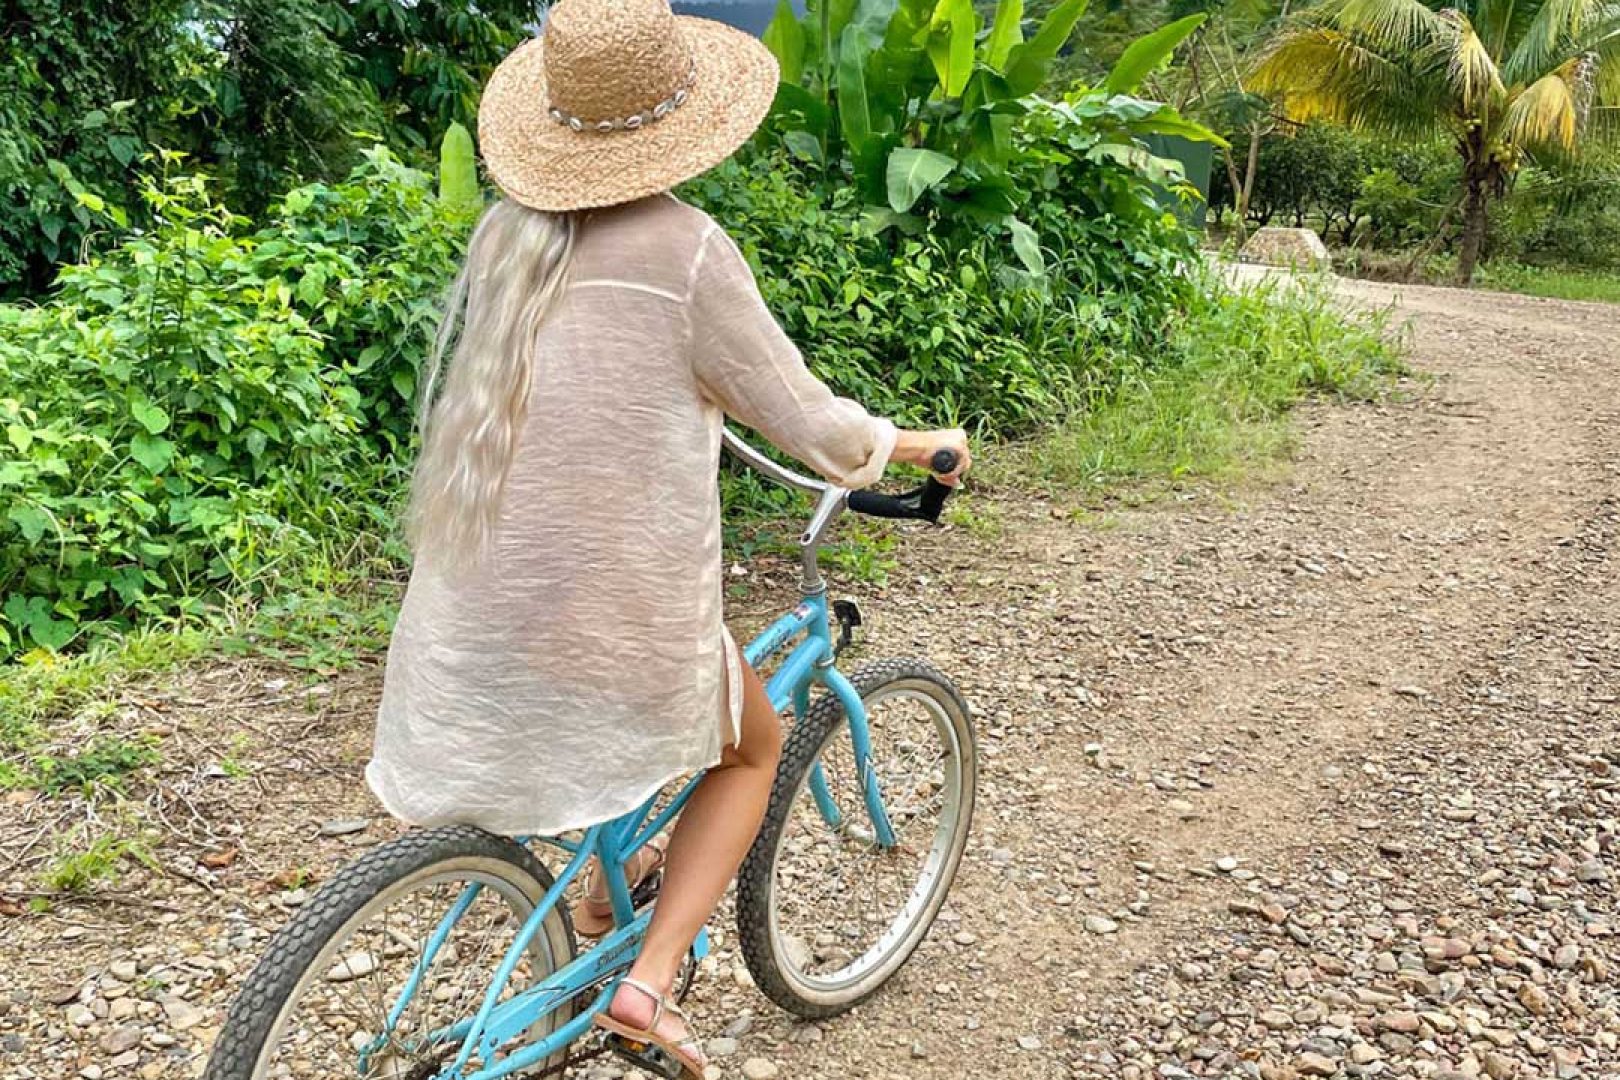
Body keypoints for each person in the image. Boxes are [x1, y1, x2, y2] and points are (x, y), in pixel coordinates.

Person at [364, 0, 970, 1074]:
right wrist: (914, 445)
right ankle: (647, 988)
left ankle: (602, 889)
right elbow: (811, 423)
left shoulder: (509, 237)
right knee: (753, 746)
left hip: (485, 607)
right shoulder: (686, 248)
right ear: (680, 118)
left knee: (629, 731)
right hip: (610, 621)